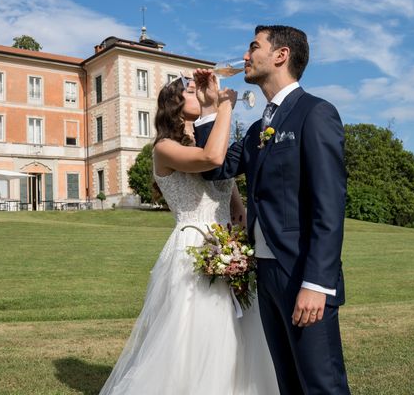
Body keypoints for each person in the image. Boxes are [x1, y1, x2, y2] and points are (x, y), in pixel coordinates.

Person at [194, 25, 351, 394]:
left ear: (280, 55)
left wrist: (317, 284)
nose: (245, 57)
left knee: (322, 385)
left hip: (303, 274)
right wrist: (206, 110)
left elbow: (329, 205)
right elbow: (216, 168)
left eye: (253, 47)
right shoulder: (257, 128)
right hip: (266, 273)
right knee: (288, 383)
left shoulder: (315, 113)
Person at [99, 75, 279, 395]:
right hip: (193, 246)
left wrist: (240, 216)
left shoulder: (209, 139)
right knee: (199, 331)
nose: (203, 94)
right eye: (193, 91)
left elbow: (222, 181)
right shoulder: (164, 148)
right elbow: (212, 159)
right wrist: (223, 106)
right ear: (175, 104)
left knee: (239, 331)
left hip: (228, 246)